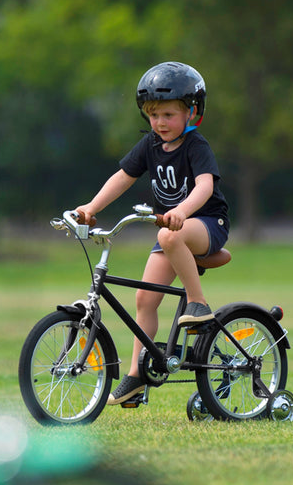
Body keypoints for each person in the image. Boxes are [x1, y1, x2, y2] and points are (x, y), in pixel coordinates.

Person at [73, 61, 232, 407]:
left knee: (167, 238)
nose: (160, 123)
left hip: (207, 225)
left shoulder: (196, 146)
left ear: (192, 112)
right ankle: (135, 377)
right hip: (172, 233)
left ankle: (198, 303)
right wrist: (91, 206)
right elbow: (122, 178)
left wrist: (182, 211)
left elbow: (205, 187)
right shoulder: (150, 146)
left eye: (169, 115)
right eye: (154, 115)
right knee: (144, 300)